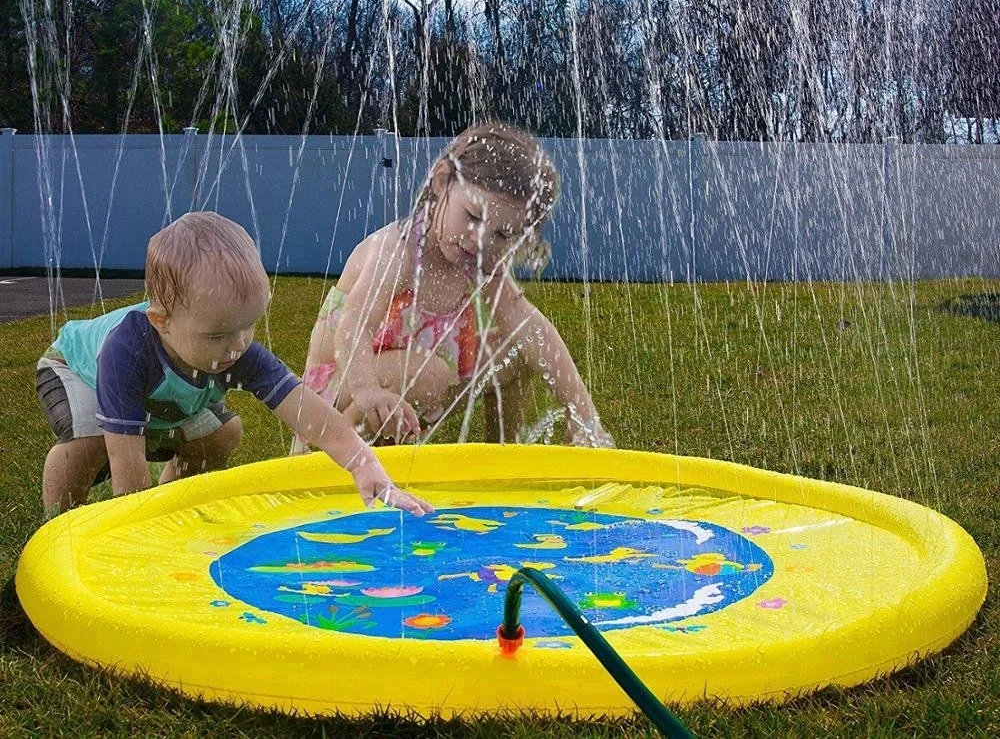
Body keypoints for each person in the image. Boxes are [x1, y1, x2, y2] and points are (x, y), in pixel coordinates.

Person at [36, 211, 432, 519]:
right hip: (76, 369)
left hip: (158, 392)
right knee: (87, 441)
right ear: (163, 321)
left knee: (224, 434)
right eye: (217, 336)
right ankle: (60, 528)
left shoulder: (234, 343)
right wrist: (139, 534)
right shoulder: (126, 351)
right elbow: (128, 469)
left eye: (248, 326)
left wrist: (365, 467)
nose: (237, 346)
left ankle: (175, 502)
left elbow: (312, 415)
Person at [293, 122, 615, 452]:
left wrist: (583, 413)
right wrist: (367, 390)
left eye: (502, 235)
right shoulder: (398, 251)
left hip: (421, 382)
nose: (481, 241)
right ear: (443, 180)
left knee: (517, 350)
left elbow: (531, 327)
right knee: (430, 374)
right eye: (473, 216)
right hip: (334, 400)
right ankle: (336, 464)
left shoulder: (477, 260)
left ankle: (505, 463)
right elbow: (354, 327)